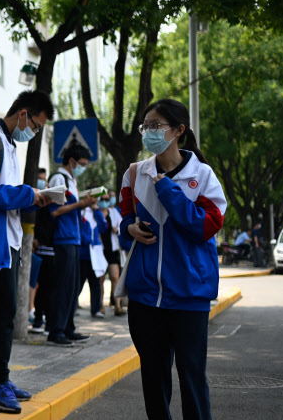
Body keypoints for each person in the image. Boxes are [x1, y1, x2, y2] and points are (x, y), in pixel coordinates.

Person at [120, 99, 226, 420]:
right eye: (146, 126)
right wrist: (130, 227)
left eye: (156, 126)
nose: (149, 132)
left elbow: (205, 226)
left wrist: (166, 188)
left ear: (178, 131)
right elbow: (123, 215)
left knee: (192, 376)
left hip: (189, 295)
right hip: (145, 295)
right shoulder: (135, 173)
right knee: (153, 378)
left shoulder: (203, 176)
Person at [0, 90, 52, 413]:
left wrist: (30, 196)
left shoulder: (10, 144)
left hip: (10, 239)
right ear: (23, 115)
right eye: (36, 125)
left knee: (6, 311)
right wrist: (27, 195)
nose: (35, 132)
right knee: (2, 311)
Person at [45, 144, 95, 346]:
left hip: (73, 238)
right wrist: (81, 204)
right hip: (63, 238)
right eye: (81, 164)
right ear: (72, 161)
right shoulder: (59, 179)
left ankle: (68, 327)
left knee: (72, 287)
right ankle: (56, 330)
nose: (83, 167)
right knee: (63, 286)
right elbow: (55, 211)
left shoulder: (71, 180)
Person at [97, 194, 125, 316]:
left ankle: (117, 306)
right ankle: (100, 305)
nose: (104, 201)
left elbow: (122, 225)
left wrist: (116, 229)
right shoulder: (95, 212)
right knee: (101, 279)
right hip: (99, 250)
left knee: (115, 277)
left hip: (112, 249)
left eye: (106, 199)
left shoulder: (113, 212)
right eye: (102, 199)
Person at [79, 202, 107, 318]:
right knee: (79, 281)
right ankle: (73, 305)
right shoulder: (82, 212)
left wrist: (97, 211)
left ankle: (96, 309)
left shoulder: (96, 213)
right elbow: (80, 230)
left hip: (95, 255)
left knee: (95, 283)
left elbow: (103, 227)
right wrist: (88, 242)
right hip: (83, 254)